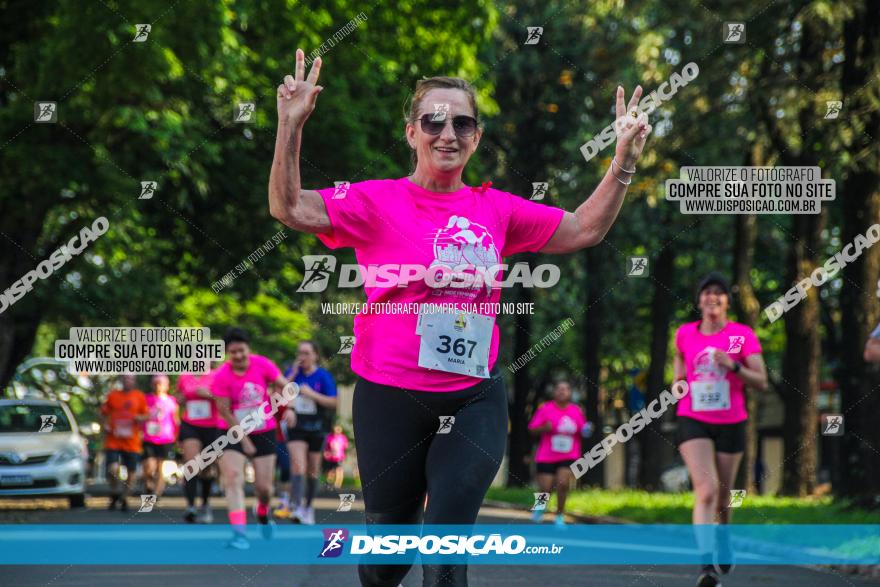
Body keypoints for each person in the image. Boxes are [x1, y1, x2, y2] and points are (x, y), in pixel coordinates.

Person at [268, 49, 651, 587]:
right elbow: (289, 208)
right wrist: (290, 126)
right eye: (434, 120)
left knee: (446, 554)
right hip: (389, 397)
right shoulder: (374, 202)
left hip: (474, 398)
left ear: (476, 136)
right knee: (387, 560)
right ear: (411, 132)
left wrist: (623, 162)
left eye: (462, 122)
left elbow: (583, 228)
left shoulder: (498, 209)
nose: (448, 133)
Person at [673, 273, 768, 587]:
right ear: (699, 301)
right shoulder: (685, 334)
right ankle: (705, 566)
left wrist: (734, 366)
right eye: (706, 293)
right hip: (693, 417)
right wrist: (678, 385)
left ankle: (724, 539)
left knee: (724, 498)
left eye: (719, 293)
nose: (712, 297)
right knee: (706, 491)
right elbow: (679, 373)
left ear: (727, 301)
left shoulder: (742, 335)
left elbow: (762, 381)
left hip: (731, 421)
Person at [212, 328, 294, 550]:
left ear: (249, 349)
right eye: (232, 352)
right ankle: (239, 534)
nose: (238, 356)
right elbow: (224, 410)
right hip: (231, 431)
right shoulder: (221, 375)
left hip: (263, 431)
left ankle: (262, 512)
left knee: (264, 488)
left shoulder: (263, 364)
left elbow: (285, 385)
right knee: (232, 478)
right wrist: (244, 440)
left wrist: (289, 409)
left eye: (241, 350)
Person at [284, 340, 338, 525]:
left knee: (313, 469)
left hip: (317, 427)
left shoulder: (323, 376)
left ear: (315, 355)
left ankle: (308, 506)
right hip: (296, 426)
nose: (302, 357)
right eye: (300, 353)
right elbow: (278, 393)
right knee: (298, 465)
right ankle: (297, 506)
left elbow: (333, 402)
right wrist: (290, 376)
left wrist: (311, 394)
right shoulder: (292, 374)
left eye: (307, 353)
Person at [527, 379, 588, 527]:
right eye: (559, 388)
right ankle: (540, 509)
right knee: (545, 487)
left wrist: (586, 430)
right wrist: (544, 428)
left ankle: (560, 515)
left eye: (565, 389)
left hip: (568, 455)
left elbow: (584, 430)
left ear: (570, 393)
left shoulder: (576, 410)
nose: (562, 391)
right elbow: (532, 429)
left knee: (562, 484)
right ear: (554, 392)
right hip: (546, 455)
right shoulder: (545, 408)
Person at [177, 362, 222, 523]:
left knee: (207, 468)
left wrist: (209, 395)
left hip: (212, 426)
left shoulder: (216, 376)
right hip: (190, 424)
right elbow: (179, 397)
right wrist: (180, 399)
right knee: (191, 465)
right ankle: (190, 506)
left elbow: (224, 398)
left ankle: (205, 503)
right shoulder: (184, 376)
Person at [100, 374, 148, 512]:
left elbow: (146, 415)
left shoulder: (139, 396)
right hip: (114, 440)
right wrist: (105, 425)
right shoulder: (113, 395)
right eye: (126, 378)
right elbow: (102, 413)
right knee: (112, 469)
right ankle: (115, 491)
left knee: (131, 473)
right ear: (122, 380)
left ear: (134, 381)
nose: (128, 381)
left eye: (131, 379)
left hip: (132, 441)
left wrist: (140, 417)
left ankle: (124, 497)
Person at [141, 374, 179, 499]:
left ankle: (157, 493)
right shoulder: (146, 399)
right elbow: (140, 416)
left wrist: (178, 436)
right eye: (156, 383)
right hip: (149, 437)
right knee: (149, 466)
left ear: (166, 386)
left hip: (166, 438)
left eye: (161, 383)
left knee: (161, 468)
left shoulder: (171, 401)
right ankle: (148, 484)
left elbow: (175, 419)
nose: (158, 386)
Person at [324, 424, 349, 489]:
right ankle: (329, 483)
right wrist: (326, 452)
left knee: (339, 470)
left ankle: (337, 485)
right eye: (336, 429)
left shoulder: (343, 437)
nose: (338, 430)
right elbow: (326, 446)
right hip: (331, 457)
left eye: (339, 429)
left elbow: (346, 446)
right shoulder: (329, 437)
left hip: (339, 457)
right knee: (330, 471)